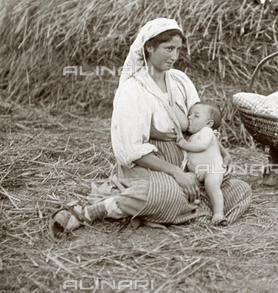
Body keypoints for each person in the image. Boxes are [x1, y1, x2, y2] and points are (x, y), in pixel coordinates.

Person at [48, 18, 251, 238]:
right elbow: (130, 151)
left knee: (239, 190)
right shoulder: (132, 90)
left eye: (178, 50)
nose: (174, 56)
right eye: (168, 49)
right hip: (149, 164)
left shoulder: (180, 80)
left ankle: (171, 205)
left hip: (189, 163)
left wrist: (223, 154)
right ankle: (90, 211)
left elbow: (201, 125)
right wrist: (175, 172)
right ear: (149, 47)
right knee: (166, 194)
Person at [175, 101, 226, 225]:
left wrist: (184, 144)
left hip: (212, 169)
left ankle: (218, 213)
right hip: (199, 173)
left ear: (209, 123)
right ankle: (198, 209)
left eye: (196, 116)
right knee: (189, 187)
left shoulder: (206, 131)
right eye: (189, 115)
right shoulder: (193, 135)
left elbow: (202, 146)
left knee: (212, 185)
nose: (189, 118)